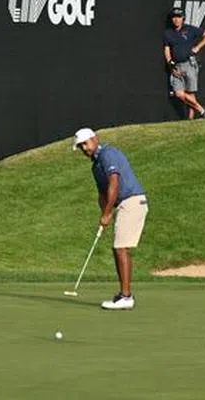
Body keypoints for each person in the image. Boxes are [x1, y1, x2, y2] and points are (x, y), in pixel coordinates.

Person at [72, 127, 149, 311]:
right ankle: (125, 294)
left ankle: (126, 297)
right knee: (120, 247)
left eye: (85, 143)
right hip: (125, 204)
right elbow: (103, 193)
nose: (84, 148)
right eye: (80, 146)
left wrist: (108, 214)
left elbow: (114, 183)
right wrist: (103, 213)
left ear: (95, 139)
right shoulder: (95, 166)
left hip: (131, 200)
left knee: (120, 248)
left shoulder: (108, 154)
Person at [163, 6, 205, 119]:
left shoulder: (189, 29)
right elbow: (167, 51)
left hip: (189, 64)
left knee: (190, 93)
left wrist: (197, 48)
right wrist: (171, 66)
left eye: (179, 17)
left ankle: (190, 123)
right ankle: (202, 110)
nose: (176, 19)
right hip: (176, 66)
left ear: (183, 18)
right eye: (174, 17)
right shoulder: (168, 33)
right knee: (179, 94)